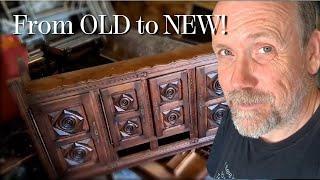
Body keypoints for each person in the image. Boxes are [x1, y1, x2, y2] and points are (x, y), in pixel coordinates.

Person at [207, 1, 320, 179]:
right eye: (226, 52)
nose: (238, 82)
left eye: (265, 49)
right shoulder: (245, 109)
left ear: (313, 53)